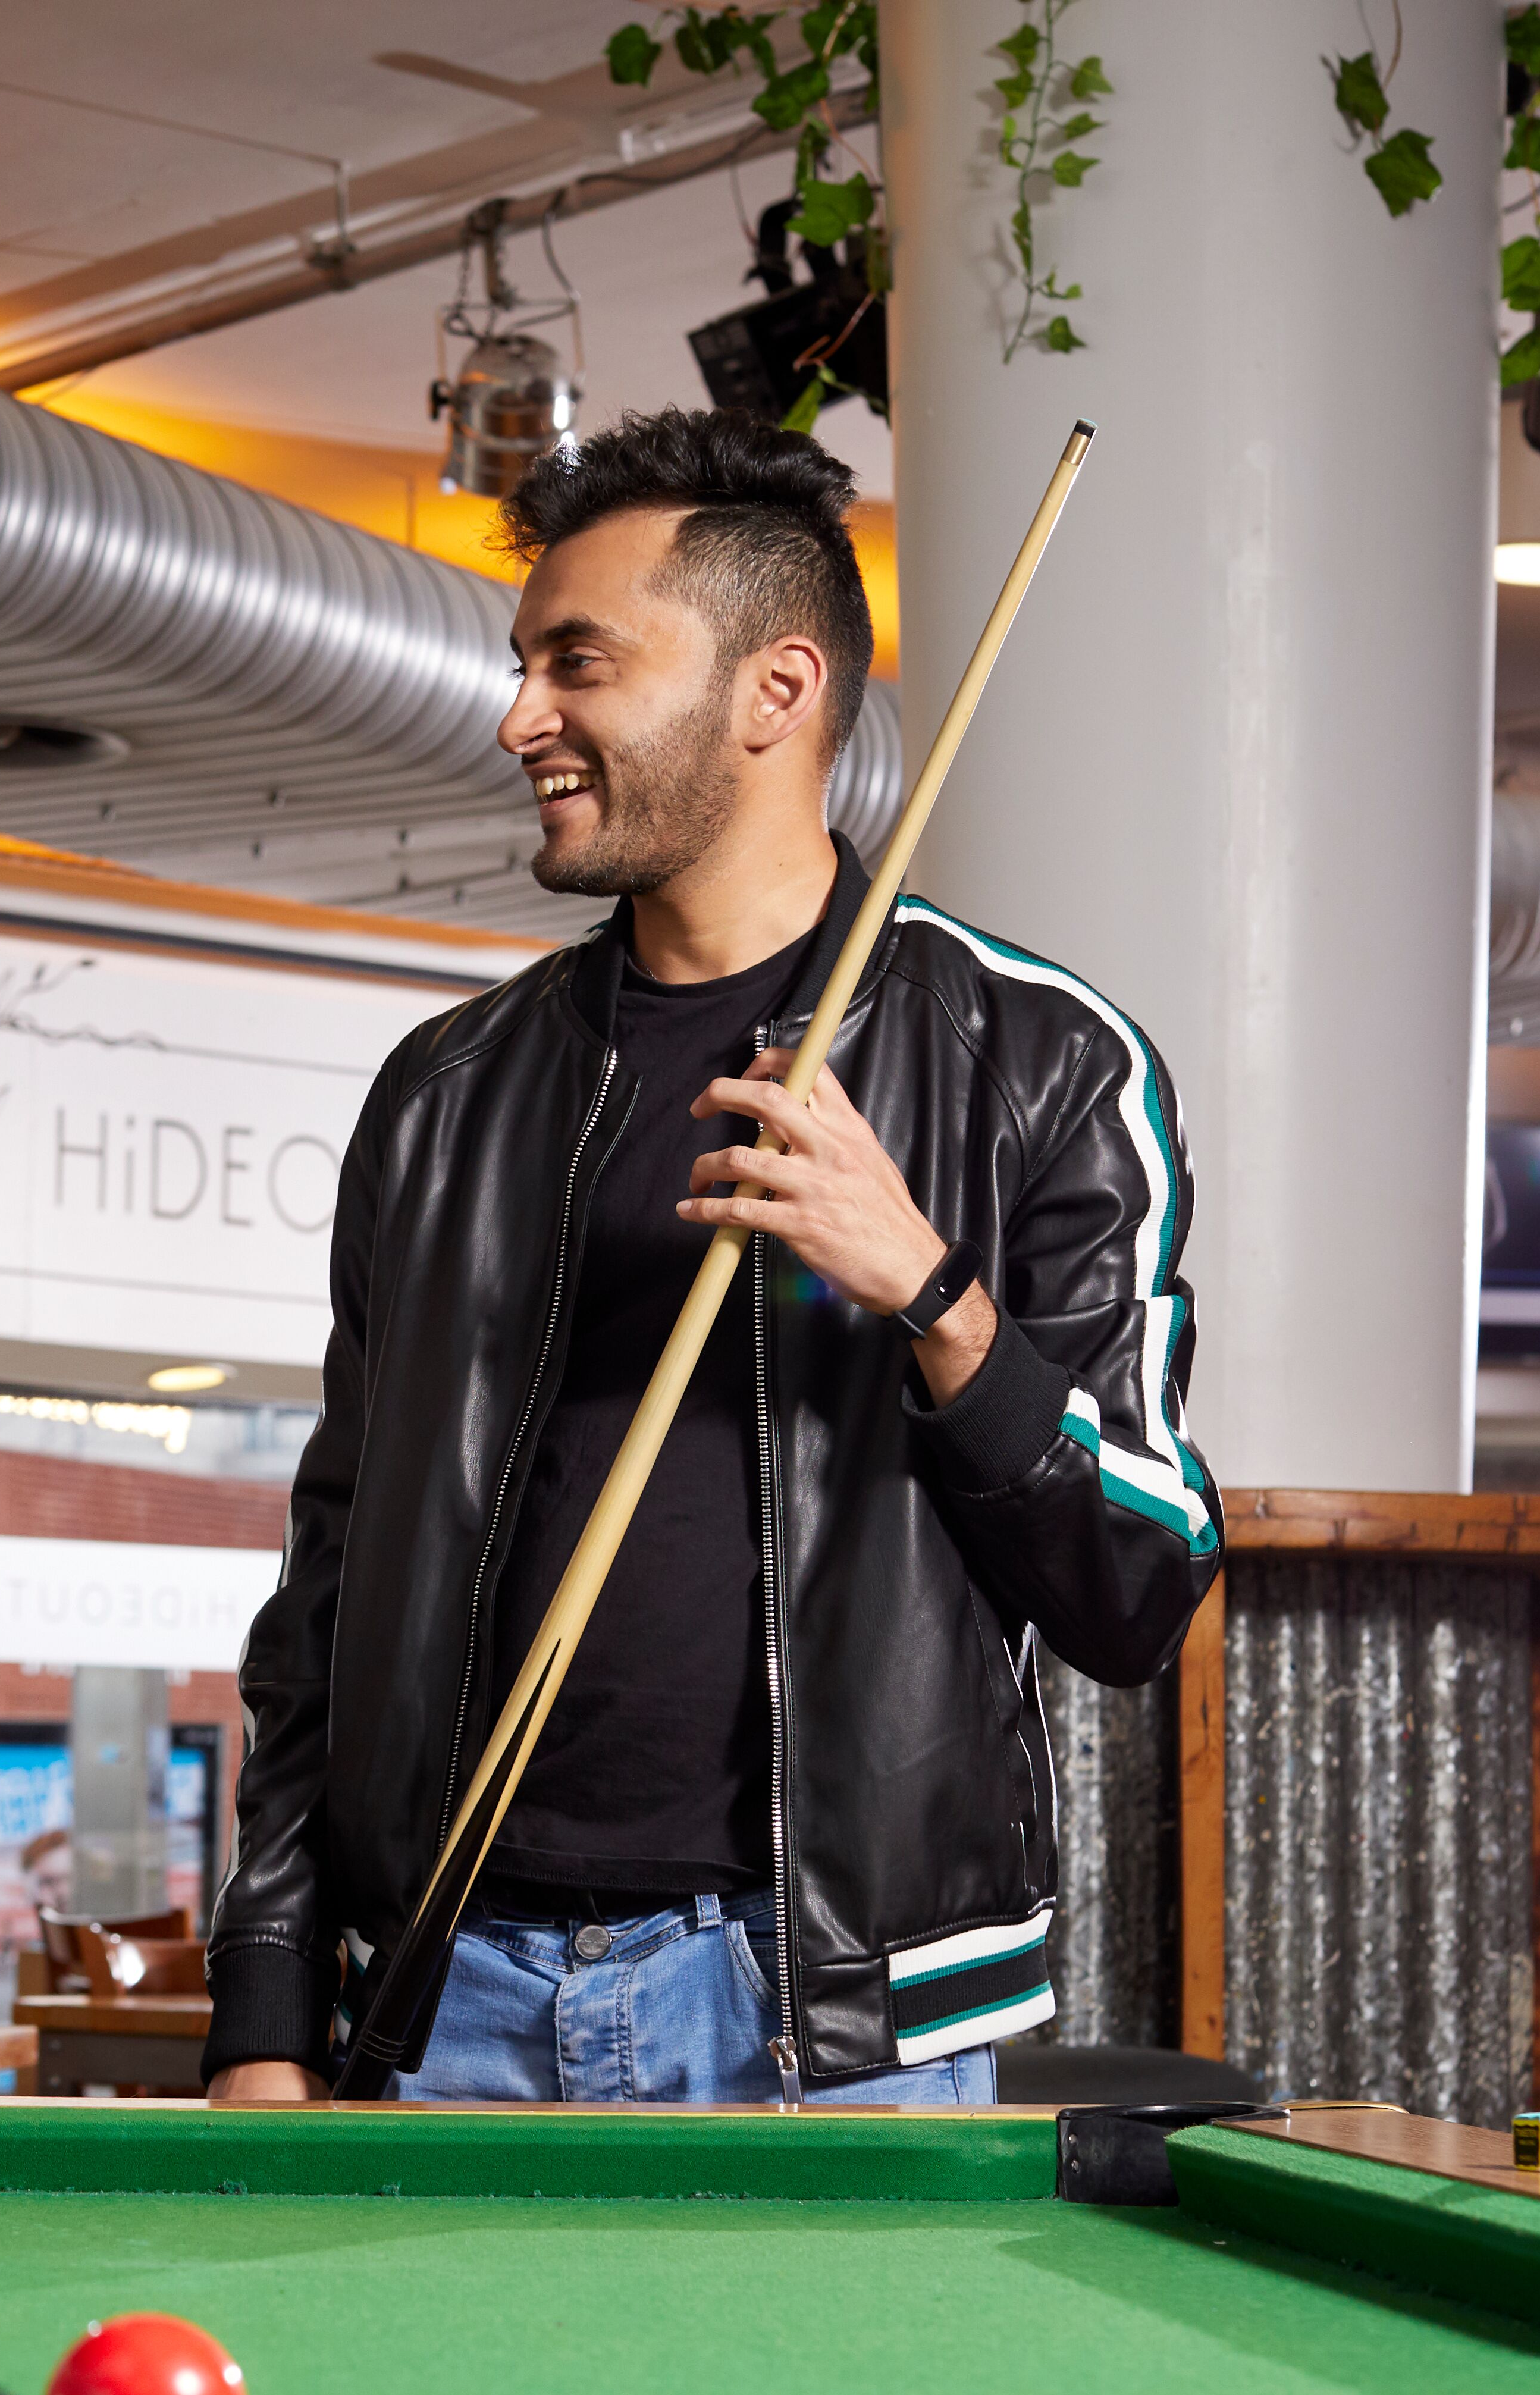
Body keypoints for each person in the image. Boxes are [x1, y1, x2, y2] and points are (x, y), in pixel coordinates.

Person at [203, 409, 1219, 2108]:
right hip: (444, 1994)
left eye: (577, 663)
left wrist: (928, 1290)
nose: (521, 715)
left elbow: (1142, 1586)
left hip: (822, 2022)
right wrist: (265, 1992)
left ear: (777, 690)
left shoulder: (1043, 1063)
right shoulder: (449, 1096)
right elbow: (330, 1579)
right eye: (525, 664)